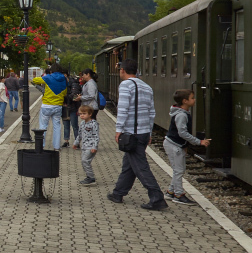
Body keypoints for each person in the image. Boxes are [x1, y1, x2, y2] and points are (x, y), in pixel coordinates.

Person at [109, 59, 165, 210]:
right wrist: (149, 131)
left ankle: (157, 198)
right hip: (143, 132)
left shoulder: (126, 85)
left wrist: (118, 129)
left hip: (131, 133)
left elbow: (123, 108)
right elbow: (151, 112)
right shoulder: (146, 87)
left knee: (141, 166)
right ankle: (118, 193)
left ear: (123, 70)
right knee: (129, 164)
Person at [164, 89, 211, 205]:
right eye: (192, 98)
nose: (194, 100)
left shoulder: (182, 113)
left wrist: (184, 145)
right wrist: (199, 142)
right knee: (179, 170)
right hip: (174, 145)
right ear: (185, 101)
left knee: (178, 170)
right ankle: (178, 195)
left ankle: (170, 192)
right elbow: (182, 133)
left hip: (174, 144)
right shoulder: (181, 115)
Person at [31, 61, 67, 151]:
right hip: (58, 106)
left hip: (47, 105)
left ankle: (41, 146)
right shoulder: (64, 79)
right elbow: (65, 92)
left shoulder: (48, 77)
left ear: (51, 70)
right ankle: (56, 147)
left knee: (43, 126)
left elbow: (34, 80)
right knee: (57, 126)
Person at [77, 104, 100, 185]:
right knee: (84, 162)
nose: (82, 115)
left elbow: (96, 136)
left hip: (91, 147)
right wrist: (76, 142)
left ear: (90, 114)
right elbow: (79, 134)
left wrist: (94, 146)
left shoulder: (94, 124)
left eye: (84, 114)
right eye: (80, 114)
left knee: (85, 160)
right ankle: (88, 176)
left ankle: (91, 178)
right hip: (84, 146)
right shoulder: (82, 123)